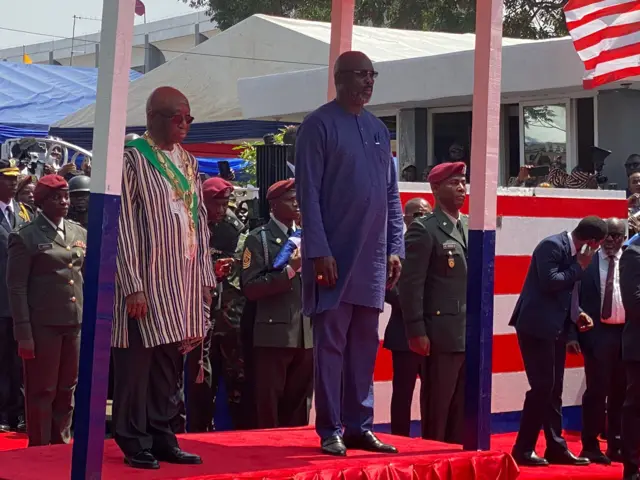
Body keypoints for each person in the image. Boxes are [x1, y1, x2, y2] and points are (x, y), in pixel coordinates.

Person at [295, 51, 404, 456]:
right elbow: (308, 194)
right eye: (360, 75)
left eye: (371, 75)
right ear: (339, 78)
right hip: (334, 259)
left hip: (373, 261)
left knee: (365, 346)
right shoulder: (317, 126)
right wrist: (319, 250)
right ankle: (330, 428)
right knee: (331, 346)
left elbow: (391, 197)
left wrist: (395, 248)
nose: (368, 82)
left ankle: (360, 425)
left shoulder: (378, 129)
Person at [111, 87, 216, 470]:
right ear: (153, 116)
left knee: (168, 367)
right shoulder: (131, 158)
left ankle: (162, 436)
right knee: (137, 367)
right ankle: (133, 439)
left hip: (183, 282)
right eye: (178, 118)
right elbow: (122, 226)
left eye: (189, 119)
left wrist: (205, 278)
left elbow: (199, 222)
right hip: (147, 281)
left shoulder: (188, 161)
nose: (185, 125)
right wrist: (132, 284)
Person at [509, 216, 608, 467]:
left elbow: (571, 291)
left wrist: (578, 315)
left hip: (556, 328)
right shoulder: (552, 246)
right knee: (542, 387)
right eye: (598, 245)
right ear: (592, 242)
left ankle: (555, 446)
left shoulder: (577, 253)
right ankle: (523, 448)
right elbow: (549, 281)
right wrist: (580, 267)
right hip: (535, 327)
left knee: (554, 390)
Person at [7, 174, 86, 446]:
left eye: (66, 196)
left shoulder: (78, 232)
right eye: (56, 197)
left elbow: (82, 277)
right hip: (42, 325)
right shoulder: (25, 237)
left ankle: (61, 442)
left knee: (67, 388)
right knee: (43, 390)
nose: (64, 202)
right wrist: (23, 334)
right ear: (41, 202)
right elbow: (16, 288)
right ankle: (40, 447)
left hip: (73, 323)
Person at [398, 162, 468, 444]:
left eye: (463, 182)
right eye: (454, 183)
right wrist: (416, 330)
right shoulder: (424, 229)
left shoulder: (469, 226)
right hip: (439, 334)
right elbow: (411, 284)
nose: (461, 188)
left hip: (466, 333)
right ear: (436, 189)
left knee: (462, 411)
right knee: (437, 410)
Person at [242, 179, 313, 428]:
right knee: (269, 405)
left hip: (306, 333)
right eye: (289, 199)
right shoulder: (259, 239)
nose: (296, 204)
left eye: (298, 199)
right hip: (274, 334)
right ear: (273, 205)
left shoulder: (308, 235)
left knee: (298, 406)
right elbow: (250, 288)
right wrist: (289, 272)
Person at [186, 177, 246, 432]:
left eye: (225, 204)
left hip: (226, 311)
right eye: (217, 204)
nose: (222, 210)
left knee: (233, 374)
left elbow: (241, 265)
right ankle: (197, 425)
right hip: (191, 307)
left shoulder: (232, 227)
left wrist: (224, 269)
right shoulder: (188, 223)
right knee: (198, 372)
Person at [567, 218, 626, 464]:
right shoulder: (586, 260)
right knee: (596, 392)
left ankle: (618, 444)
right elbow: (571, 298)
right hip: (597, 335)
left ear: (624, 237)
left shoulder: (633, 260)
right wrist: (572, 335)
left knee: (622, 394)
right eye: (607, 236)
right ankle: (590, 446)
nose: (611, 240)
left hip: (626, 335)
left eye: (617, 236)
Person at [383, 197, 431, 437]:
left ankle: (433, 439)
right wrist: (414, 305)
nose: (422, 220)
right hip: (403, 334)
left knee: (434, 395)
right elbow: (388, 290)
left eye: (426, 214)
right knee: (403, 392)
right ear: (405, 219)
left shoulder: (435, 243)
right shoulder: (396, 251)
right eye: (417, 215)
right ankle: (398, 438)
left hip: (434, 331)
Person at [0, 159, 32, 434]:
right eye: (7, 179)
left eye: (14, 179)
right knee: (1, 362)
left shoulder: (23, 213)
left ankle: (20, 414)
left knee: (19, 361)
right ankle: (2, 414)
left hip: (20, 303)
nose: (12, 183)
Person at [620, 234, 640, 480]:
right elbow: (634, 304)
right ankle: (632, 468)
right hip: (638, 349)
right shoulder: (633, 255)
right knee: (635, 406)